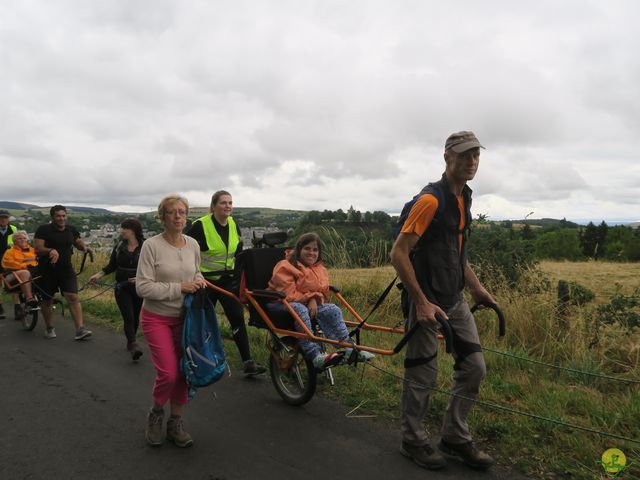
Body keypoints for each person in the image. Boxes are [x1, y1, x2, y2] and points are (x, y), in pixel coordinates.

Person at [390, 131, 496, 470]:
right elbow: (399, 253)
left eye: (476, 155)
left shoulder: (464, 197)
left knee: (474, 367)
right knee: (423, 373)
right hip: (428, 301)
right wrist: (419, 301)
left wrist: (477, 289)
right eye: (464, 155)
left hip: (455, 298)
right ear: (447, 157)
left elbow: (457, 254)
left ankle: (454, 436)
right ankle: (413, 439)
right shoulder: (430, 201)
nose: (471, 161)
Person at [136, 193, 207, 448]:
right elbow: (143, 288)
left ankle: (175, 422)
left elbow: (196, 272)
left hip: (186, 320)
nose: (178, 216)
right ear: (162, 217)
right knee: (168, 372)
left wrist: (199, 281)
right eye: (172, 212)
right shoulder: (151, 246)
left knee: (185, 373)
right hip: (157, 318)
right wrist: (181, 288)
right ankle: (156, 413)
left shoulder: (193, 245)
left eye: (182, 212)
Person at [267, 232, 375, 370]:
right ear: (299, 249)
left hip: (304, 304)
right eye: (307, 248)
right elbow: (287, 294)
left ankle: (349, 347)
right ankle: (315, 356)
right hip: (280, 304)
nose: (311, 253)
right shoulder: (285, 266)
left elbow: (323, 294)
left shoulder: (320, 269)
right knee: (300, 308)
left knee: (333, 309)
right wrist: (312, 298)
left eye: (315, 250)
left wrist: (315, 298)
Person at [187, 190, 266, 376]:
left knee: (237, 318)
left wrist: (241, 277)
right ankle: (197, 361)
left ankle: (248, 362)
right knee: (203, 322)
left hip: (228, 280)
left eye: (230, 202)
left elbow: (238, 252)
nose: (228, 206)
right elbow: (185, 251)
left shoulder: (233, 224)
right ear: (213, 206)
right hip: (205, 281)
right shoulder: (199, 226)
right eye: (223, 203)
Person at [34, 205, 93, 340]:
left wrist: (84, 247)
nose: (61, 218)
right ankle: (49, 327)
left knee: (72, 296)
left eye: (63, 216)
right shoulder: (43, 230)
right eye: (58, 216)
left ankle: (80, 330)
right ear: (52, 217)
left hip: (66, 269)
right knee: (48, 300)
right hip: (47, 270)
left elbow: (77, 242)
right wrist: (50, 250)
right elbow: (38, 248)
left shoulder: (71, 229)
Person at [89, 218, 145, 361]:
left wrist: (141, 279)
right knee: (129, 317)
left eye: (124, 228)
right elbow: (111, 266)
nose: (121, 231)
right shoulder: (119, 246)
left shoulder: (146, 246)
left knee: (135, 317)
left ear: (132, 230)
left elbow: (154, 268)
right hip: (122, 287)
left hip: (140, 287)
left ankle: (130, 340)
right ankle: (133, 345)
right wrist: (98, 275)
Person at [1, 230, 39, 317]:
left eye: (24, 238)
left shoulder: (33, 250)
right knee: (25, 272)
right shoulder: (10, 252)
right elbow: (8, 264)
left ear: (27, 240)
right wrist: (26, 264)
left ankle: (48, 299)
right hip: (12, 276)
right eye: (19, 239)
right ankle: (29, 298)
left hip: (32, 273)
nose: (22, 240)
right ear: (14, 241)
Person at [0, 209, 18, 319]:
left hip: (10, 261)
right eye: (1, 217)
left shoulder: (13, 229)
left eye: (5, 217)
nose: (3, 219)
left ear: (8, 219)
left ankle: (17, 308)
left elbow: (19, 242)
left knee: (14, 284)